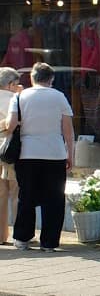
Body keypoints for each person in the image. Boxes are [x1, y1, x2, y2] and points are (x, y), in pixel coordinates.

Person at [4, 62, 75, 252]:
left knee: (26, 196)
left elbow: (11, 125)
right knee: (54, 199)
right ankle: (49, 242)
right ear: (51, 79)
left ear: (32, 78)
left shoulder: (19, 97)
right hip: (55, 153)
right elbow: (68, 131)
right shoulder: (59, 97)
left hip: (27, 153)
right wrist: (71, 154)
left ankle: (22, 238)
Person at [0, 66, 22, 244]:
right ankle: (19, 235)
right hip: (11, 150)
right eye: (16, 83)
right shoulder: (16, 100)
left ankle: (0, 236)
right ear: (10, 84)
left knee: (0, 194)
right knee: (15, 193)